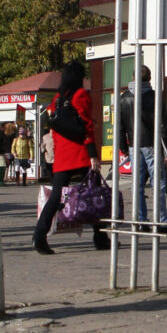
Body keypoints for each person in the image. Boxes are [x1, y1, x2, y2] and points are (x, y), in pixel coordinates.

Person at [34, 60, 109, 255]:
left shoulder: (58, 98)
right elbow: (86, 126)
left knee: (56, 196)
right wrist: (93, 154)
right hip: (80, 153)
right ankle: (100, 237)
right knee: (94, 194)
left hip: (63, 155)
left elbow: (55, 127)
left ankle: (39, 234)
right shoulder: (81, 95)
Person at [118, 66, 167, 228]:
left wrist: (123, 146)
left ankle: (141, 219)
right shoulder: (154, 97)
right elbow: (163, 124)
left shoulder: (124, 98)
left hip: (134, 145)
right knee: (159, 183)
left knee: (137, 184)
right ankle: (161, 220)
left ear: (133, 77)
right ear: (149, 79)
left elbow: (120, 125)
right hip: (152, 144)